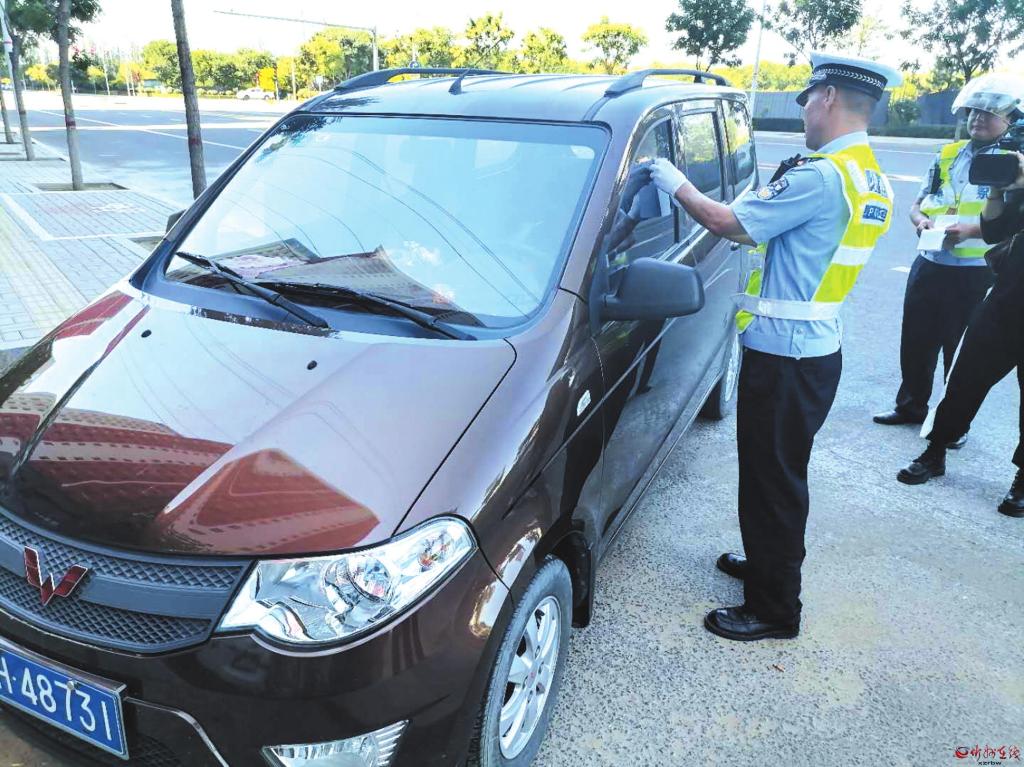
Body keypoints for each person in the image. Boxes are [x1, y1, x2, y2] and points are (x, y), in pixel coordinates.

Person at [649, 53, 900, 641]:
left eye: (808, 99)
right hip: (813, 350)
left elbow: (727, 222)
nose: (805, 110)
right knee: (776, 474)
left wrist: (672, 179)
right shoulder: (868, 175)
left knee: (774, 482)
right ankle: (767, 566)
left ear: (829, 97)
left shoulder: (821, 177)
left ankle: (775, 609)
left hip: (787, 355)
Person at [874, 75, 1021, 442]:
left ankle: (950, 426)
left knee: (961, 354)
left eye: (988, 114)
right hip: (931, 261)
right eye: (973, 112)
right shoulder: (948, 153)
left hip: (976, 270)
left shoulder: (1012, 165)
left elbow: (1009, 223)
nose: (977, 119)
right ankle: (911, 405)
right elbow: (918, 203)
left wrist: (970, 231)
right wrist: (920, 221)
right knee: (916, 339)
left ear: (1010, 120)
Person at [896, 149, 1024, 518]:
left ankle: (1022, 479)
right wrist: (999, 190)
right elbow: (995, 230)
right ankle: (935, 451)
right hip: (1006, 299)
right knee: (964, 377)